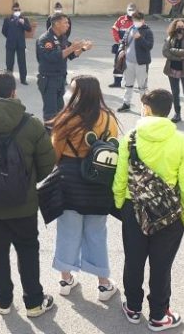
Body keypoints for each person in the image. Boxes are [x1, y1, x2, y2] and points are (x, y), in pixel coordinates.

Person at [0, 71, 56, 318]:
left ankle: (3, 301)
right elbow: (48, 163)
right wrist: (26, 182)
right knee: (28, 250)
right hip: (24, 205)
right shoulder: (32, 124)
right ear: (13, 93)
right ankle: (34, 302)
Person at [113, 89, 184, 331]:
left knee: (133, 260)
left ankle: (132, 306)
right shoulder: (182, 141)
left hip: (134, 207)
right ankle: (159, 315)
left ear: (147, 109)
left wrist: (120, 203)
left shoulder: (130, 138)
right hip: (168, 211)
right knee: (161, 265)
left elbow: (120, 177)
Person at [49, 75, 119, 301]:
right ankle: (103, 284)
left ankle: (66, 279)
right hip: (99, 182)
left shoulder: (66, 119)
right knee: (97, 233)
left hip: (69, 182)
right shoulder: (109, 118)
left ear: (77, 94)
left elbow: (54, 155)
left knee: (68, 232)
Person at [36, 13, 93, 123]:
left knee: (60, 111)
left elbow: (72, 55)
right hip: (48, 79)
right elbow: (52, 57)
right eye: (65, 22)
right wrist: (71, 48)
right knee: (50, 114)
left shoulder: (63, 38)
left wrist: (83, 49)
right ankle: (49, 137)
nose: (68, 25)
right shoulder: (45, 39)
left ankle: (58, 136)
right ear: (57, 24)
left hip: (60, 79)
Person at [118, 11, 154, 114]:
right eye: (134, 20)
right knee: (128, 84)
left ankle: (145, 107)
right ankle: (126, 104)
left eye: (138, 20)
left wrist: (140, 38)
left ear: (143, 20)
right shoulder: (130, 29)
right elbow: (123, 42)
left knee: (142, 86)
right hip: (129, 62)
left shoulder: (148, 32)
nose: (136, 22)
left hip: (141, 63)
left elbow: (149, 46)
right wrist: (121, 50)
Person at [162, 18, 184, 125]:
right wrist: (178, 56)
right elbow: (165, 52)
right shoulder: (170, 38)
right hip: (172, 69)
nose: (180, 28)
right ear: (174, 27)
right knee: (175, 93)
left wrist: (173, 51)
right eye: (178, 26)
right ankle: (177, 113)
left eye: (182, 26)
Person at [2, 2, 31, 85]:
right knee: (9, 62)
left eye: (18, 10)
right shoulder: (7, 19)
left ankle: (23, 79)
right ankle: (9, 80)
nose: (17, 11)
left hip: (21, 44)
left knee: (22, 62)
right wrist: (10, 37)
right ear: (12, 10)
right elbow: (4, 31)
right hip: (10, 44)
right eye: (15, 10)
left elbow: (29, 29)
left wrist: (23, 23)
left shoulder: (24, 19)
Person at [110, 3, 136, 88]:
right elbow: (114, 30)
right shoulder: (121, 19)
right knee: (118, 63)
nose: (131, 12)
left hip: (132, 47)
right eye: (130, 10)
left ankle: (129, 83)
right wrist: (118, 40)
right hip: (120, 46)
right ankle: (117, 82)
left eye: (133, 10)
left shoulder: (137, 20)